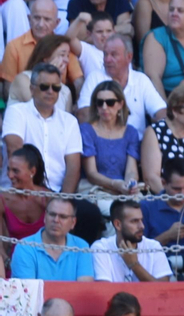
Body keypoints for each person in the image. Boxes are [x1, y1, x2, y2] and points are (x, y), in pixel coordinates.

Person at [3, 63, 83, 196]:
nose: (50, 91)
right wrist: (35, 192)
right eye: (44, 87)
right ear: (32, 89)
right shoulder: (16, 112)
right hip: (20, 192)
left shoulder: (70, 121)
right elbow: (15, 151)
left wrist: (63, 200)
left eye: (56, 87)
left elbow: (73, 167)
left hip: (56, 194)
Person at [76, 34, 162, 130]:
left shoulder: (141, 79)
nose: (107, 60)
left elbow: (159, 110)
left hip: (138, 142)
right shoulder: (95, 77)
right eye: (105, 54)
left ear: (129, 57)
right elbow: (83, 114)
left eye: (113, 55)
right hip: (103, 140)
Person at [80, 79, 143, 199]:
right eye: (100, 102)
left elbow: (131, 170)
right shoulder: (86, 130)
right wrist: (115, 184)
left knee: (141, 208)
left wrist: (130, 183)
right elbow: (91, 173)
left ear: (120, 104)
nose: (104, 107)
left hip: (122, 190)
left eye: (110, 102)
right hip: (94, 189)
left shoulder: (130, 132)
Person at [1, 0, 81, 88]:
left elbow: (78, 81)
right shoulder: (14, 46)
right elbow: (8, 89)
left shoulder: (64, 46)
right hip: (24, 99)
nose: (41, 24)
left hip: (59, 98)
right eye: (37, 18)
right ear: (29, 19)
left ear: (57, 23)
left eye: (47, 19)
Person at [9, 197, 94, 279]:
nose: (56, 220)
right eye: (52, 214)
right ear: (45, 217)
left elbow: (84, 289)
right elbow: (28, 291)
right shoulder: (24, 247)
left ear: (73, 223)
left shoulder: (82, 246)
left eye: (63, 216)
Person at [91, 198, 173, 282]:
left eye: (141, 220)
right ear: (118, 224)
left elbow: (163, 289)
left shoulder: (153, 246)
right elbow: (104, 290)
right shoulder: (101, 248)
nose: (142, 226)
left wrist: (134, 265)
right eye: (134, 221)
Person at [141, 0, 184, 98]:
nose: (174, 13)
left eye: (180, 10)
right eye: (171, 9)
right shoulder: (156, 37)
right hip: (169, 98)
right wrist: (166, 111)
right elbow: (153, 78)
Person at [0, 145, 50, 273]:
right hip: (13, 264)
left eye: (16, 171)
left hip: (45, 263)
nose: (10, 175)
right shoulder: (3, 199)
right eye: (8, 170)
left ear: (32, 172)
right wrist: (7, 262)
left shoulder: (48, 198)